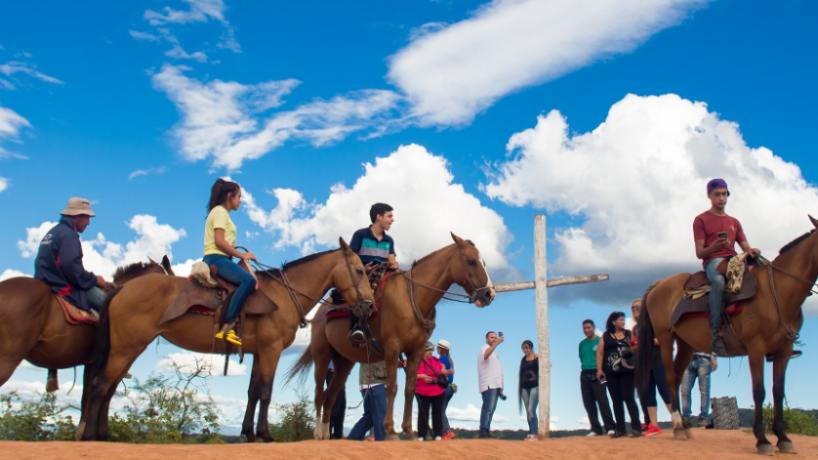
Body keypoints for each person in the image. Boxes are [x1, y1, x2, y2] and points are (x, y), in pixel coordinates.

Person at [693, 178, 761, 355]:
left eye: (724, 194)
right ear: (709, 196)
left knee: (760, 276)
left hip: (734, 259)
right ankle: (715, 332)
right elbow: (700, 252)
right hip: (713, 261)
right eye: (717, 194)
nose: (721, 198)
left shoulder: (734, 222)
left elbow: (745, 245)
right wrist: (714, 247)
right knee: (718, 282)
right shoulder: (701, 220)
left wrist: (751, 251)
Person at [34, 197, 112, 321]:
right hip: (61, 287)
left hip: (45, 283)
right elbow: (71, 268)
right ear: (77, 216)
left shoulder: (53, 232)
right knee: (110, 304)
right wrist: (95, 280)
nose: (88, 223)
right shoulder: (68, 235)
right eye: (87, 218)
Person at [202, 178, 257, 347]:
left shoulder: (221, 213)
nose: (240, 200)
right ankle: (227, 326)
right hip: (216, 258)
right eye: (239, 196)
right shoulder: (219, 211)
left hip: (222, 258)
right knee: (249, 280)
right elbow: (219, 241)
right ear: (229, 196)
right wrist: (242, 256)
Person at [347, 202, 398, 344]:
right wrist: (364, 269)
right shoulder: (360, 235)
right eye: (389, 216)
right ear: (378, 217)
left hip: (384, 274)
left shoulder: (389, 240)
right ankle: (356, 327)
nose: (392, 220)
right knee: (363, 293)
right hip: (363, 274)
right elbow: (351, 260)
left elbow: (392, 259)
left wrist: (394, 263)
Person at [631, 299, 672, 437]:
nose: (635, 310)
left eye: (638, 307)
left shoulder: (654, 322)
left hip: (657, 357)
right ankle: (654, 425)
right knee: (648, 391)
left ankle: (677, 420)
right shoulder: (635, 329)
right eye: (633, 308)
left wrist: (647, 341)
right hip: (644, 360)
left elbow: (663, 340)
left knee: (663, 388)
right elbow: (635, 346)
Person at [597, 311, 641, 438]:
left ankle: (636, 428)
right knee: (616, 400)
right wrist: (599, 369)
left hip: (628, 370)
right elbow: (599, 352)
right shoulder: (606, 336)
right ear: (613, 322)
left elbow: (636, 346)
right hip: (611, 372)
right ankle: (620, 429)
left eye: (623, 319)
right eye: (620, 319)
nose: (623, 322)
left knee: (629, 398)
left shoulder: (628, 334)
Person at [578, 319, 616, 436]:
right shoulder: (582, 344)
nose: (586, 330)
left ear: (593, 328)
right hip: (585, 373)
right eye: (584, 328)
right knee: (588, 402)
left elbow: (604, 357)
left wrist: (601, 370)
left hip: (600, 373)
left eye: (588, 327)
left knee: (603, 400)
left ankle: (610, 427)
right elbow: (581, 357)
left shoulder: (600, 341)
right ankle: (595, 429)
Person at [348, 360, 388, 441]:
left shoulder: (362, 348)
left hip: (365, 384)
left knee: (369, 416)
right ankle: (381, 445)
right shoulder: (379, 348)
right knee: (381, 417)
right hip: (377, 383)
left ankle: (353, 438)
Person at [416, 342, 446, 441]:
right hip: (422, 391)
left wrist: (443, 370)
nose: (430, 353)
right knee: (423, 414)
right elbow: (411, 375)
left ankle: (438, 434)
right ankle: (421, 435)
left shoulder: (436, 361)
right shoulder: (416, 362)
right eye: (428, 351)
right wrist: (422, 376)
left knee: (437, 413)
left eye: (431, 351)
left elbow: (442, 371)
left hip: (437, 391)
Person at [477, 331, 504, 438]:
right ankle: (483, 431)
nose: (494, 339)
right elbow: (485, 355)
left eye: (495, 337)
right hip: (488, 384)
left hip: (496, 385)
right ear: (486, 338)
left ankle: (486, 430)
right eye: (492, 337)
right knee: (487, 408)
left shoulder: (495, 353)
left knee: (491, 409)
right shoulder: (484, 347)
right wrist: (496, 344)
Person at [681, 351, 717, 427]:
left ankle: (703, 418)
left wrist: (714, 356)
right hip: (687, 358)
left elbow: (711, 339)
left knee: (704, 391)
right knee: (684, 390)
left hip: (704, 358)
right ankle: (685, 418)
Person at [518, 340, 539, 440]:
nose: (525, 350)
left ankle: (535, 433)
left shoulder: (537, 357)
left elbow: (545, 366)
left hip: (535, 386)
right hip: (524, 388)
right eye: (523, 348)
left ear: (531, 347)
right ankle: (531, 432)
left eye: (526, 348)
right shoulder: (523, 359)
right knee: (528, 411)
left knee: (531, 409)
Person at [437, 339, 456, 440]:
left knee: (439, 411)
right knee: (441, 410)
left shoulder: (442, 359)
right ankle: (443, 433)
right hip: (450, 389)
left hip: (443, 389)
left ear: (440, 348)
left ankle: (447, 432)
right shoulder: (450, 359)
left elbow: (440, 373)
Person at [326, 361, 347, 439]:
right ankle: (327, 434)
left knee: (341, 404)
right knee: (335, 404)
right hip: (332, 371)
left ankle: (338, 435)